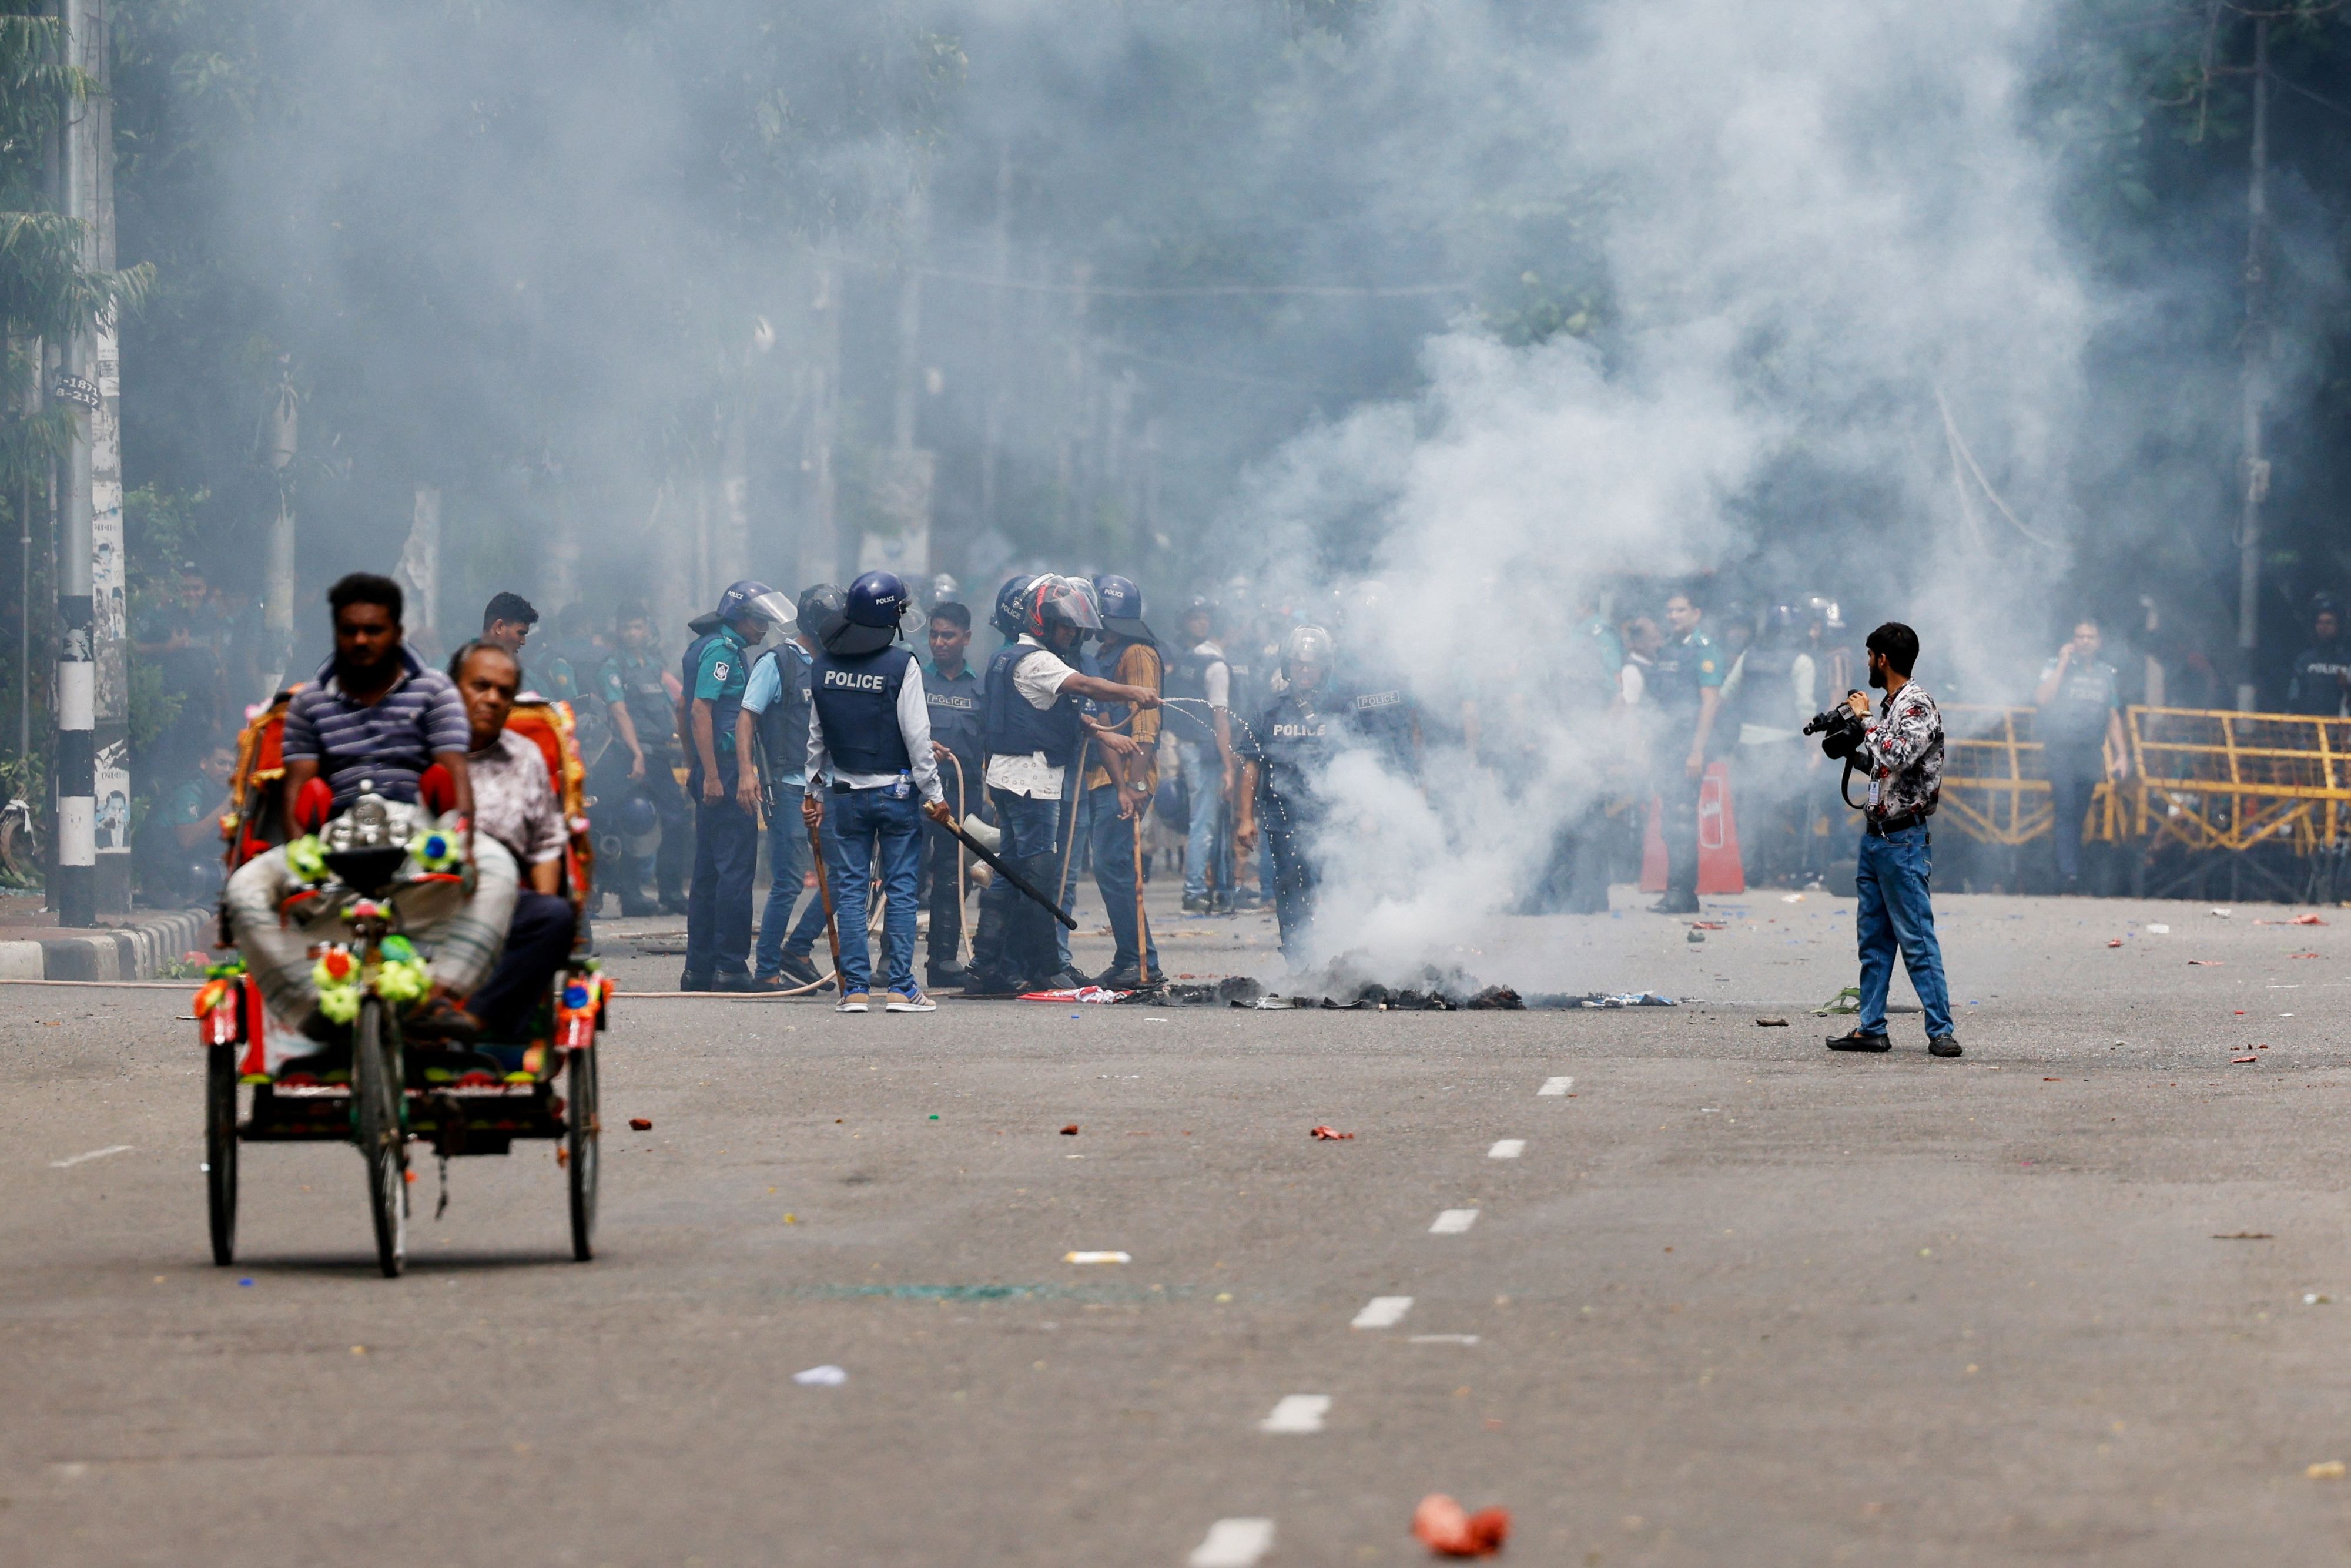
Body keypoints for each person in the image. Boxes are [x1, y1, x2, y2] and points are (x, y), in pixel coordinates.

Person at [223, 573, 503, 1060]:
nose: (360, 640)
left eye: (373, 630)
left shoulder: (435, 692)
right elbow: (297, 790)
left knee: (500, 869)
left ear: (395, 631)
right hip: (337, 832)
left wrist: (459, 834)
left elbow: (454, 777)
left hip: (417, 827)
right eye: (350, 630)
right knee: (243, 889)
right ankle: (311, 1010)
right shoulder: (310, 702)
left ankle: (441, 997)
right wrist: (301, 853)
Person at [963, 575, 1160, 996]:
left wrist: (1102, 734)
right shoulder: (1040, 662)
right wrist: (1135, 692)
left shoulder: (1006, 657)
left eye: (1074, 628)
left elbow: (1050, 711)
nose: (1071, 635)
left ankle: (986, 966)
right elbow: (1086, 687)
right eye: (1064, 627)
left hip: (1007, 776)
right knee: (1039, 879)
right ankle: (1046, 967)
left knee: (1008, 873)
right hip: (1033, 782)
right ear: (1042, 622)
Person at [799, 570, 956, 1013]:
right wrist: (935, 794)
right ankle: (902, 988)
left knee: (851, 891)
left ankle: (855, 990)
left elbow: (816, 738)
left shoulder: (823, 666)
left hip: (844, 794)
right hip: (896, 794)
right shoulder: (901, 664)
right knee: (901, 888)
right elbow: (917, 736)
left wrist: (812, 792)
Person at [1827, 621, 1958, 1058]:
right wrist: (1851, 750)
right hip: (1877, 839)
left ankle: (1941, 1031)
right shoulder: (1894, 706)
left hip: (1903, 842)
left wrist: (1864, 719)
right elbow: (1886, 767)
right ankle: (1871, 1027)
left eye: (1869, 656)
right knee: (1875, 941)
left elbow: (1898, 752)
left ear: (1883, 659)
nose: (1867, 663)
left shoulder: (1916, 705)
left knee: (1916, 939)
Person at [440, 639, 577, 1040]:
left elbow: (547, 845)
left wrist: (547, 906)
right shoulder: (415, 749)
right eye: (480, 686)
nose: (492, 699)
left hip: (504, 896)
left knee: (554, 919)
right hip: (424, 893)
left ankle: (475, 1021)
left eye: (504, 692)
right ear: (453, 690)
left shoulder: (526, 757)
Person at [677, 579, 792, 991]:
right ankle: (731, 968)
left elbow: (682, 709)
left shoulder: (704, 647)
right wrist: (710, 774)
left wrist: (695, 767)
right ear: (739, 617)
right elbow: (699, 711)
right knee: (735, 873)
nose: (763, 629)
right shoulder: (723, 652)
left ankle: (699, 970)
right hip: (724, 769)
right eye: (758, 620)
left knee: (708, 871)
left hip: (711, 769)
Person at [738, 583, 841, 991]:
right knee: (788, 882)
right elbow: (747, 717)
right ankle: (766, 971)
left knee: (848, 874)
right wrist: (747, 772)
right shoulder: (778, 662)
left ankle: (798, 948)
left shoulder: (834, 663)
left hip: (831, 785)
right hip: (790, 787)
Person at [1235, 625, 1338, 964]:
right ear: (1287, 667)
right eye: (1298, 664)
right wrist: (1246, 818)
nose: (1305, 671)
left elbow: (1356, 758)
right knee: (1291, 887)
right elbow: (1252, 765)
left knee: (1330, 887)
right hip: (1283, 818)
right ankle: (1297, 959)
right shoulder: (1268, 710)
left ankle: (1334, 953)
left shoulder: (1337, 709)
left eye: (1312, 664)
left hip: (1330, 818)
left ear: (1325, 668)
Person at [1080, 575, 1164, 987]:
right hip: (1102, 773)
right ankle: (1130, 956)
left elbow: (1146, 723)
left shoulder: (1139, 653)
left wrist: (1135, 785)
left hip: (1127, 776)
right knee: (1109, 867)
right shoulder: (1107, 650)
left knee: (1115, 865)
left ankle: (1141, 960)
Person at [592, 601, 691, 916]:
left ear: (646, 629)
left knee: (676, 820)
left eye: (637, 627)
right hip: (629, 757)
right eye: (626, 628)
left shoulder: (652, 664)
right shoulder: (613, 666)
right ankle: (632, 895)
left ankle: (671, 891)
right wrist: (636, 754)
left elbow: (671, 706)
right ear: (618, 631)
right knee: (634, 819)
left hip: (661, 755)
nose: (632, 633)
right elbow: (618, 711)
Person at [2032, 618, 2129, 894]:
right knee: (2065, 807)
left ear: (2098, 643)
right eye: (2080, 637)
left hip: (2090, 750)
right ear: (2073, 640)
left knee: (2079, 811)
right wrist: (2062, 664)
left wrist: (2122, 755)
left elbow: (2112, 715)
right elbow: (2041, 698)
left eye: (2090, 637)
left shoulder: (2105, 673)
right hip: (2060, 747)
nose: (2085, 642)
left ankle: (2068, 869)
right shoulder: (2055, 666)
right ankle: (2069, 875)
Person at [920, 598, 984, 990]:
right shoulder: (913, 679)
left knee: (954, 876)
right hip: (916, 791)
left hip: (963, 792)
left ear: (966, 638)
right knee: (905, 874)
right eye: (934, 634)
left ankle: (943, 960)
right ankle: (890, 960)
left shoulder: (981, 687)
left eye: (949, 635)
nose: (940, 642)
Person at [1729, 604, 1817, 888]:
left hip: (1747, 742)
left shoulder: (1748, 656)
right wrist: (1813, 749)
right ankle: (1775, 873)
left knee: (1749, 809)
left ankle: (1747, 870)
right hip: (1782, 743)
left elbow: (1726, 693)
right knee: (1776, 810)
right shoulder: (1801, 661)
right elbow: (1805, 709)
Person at [1648, 591, 1724, 914]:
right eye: (1670, 611)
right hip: (1666, 745)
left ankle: (1683, 893)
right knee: (1669, 820)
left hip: (1687, 745)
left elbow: (1710, 702)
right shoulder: (1667, 648)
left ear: (1696, 613)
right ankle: (1674, 890)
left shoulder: (1703, 649)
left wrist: (1696, 751)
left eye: (1681, 610)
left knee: (1681, 818)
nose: (1674, 616)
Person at [1163, 597, 1237, 914]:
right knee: (1204, 822)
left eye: (1206, 618)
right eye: (1197, 618)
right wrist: (1230, 764)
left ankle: (1217, 889)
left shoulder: (1188, 661)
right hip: (1205, 750)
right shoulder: (1216, 666)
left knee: (1207, 820)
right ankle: (1194, 892)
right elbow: (1220, 718)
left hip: (1188, 745)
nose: (1203, 623)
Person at [138, 735, 236, 906]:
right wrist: (225, 807)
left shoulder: (219, 791)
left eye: (232, 765)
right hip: (165, 873)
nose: (228, 770)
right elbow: (187, 840)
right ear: (204, 763)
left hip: (185, 865)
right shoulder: (191, 790)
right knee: (203, 874)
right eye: (221, 763)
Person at [2284, 604, 2351, 717]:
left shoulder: (2347, 661)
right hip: (2309, 726)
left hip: (2340, 727)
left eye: (2329, 623)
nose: (2323, 627)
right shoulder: (2305, 660)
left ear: (2338, 626)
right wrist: (2289, 716)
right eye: (2320, 622)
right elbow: (2295, 693)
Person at [481, 591, 540, 687]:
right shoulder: (464, 673)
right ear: (499, 627)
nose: (523, 642)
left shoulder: (525, 677)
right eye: (520, 633)